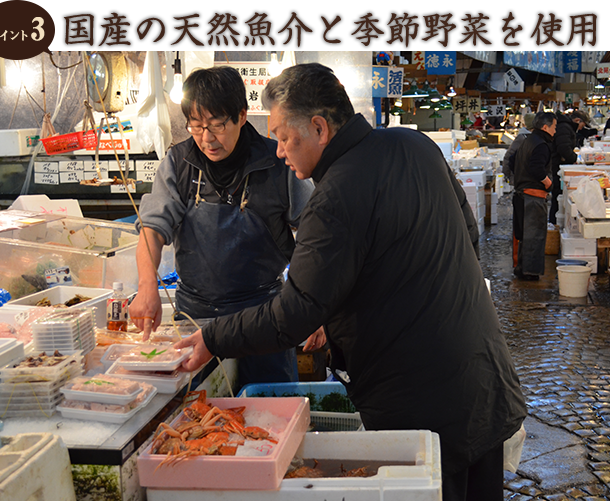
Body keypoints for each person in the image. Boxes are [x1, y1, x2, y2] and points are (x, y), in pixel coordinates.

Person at [178, 63, 526, 501]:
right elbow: (466, 231)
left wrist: (214, 337)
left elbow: (294, 314)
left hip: (420, 403)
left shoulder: (334, 196)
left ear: (320, 128)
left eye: (285, 137)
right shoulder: (414, 144)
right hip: (482, 376)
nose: (281, 151)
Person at [129, 66, 314, 388]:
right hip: (193, 316)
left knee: (270, 408)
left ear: (241, 116)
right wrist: (148, 286)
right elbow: (153, 228)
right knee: (197, 410)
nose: (206, 138)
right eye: (197, 126)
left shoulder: (278, 162)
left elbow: (314, 237)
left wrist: (312, 306)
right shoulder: (178, 162)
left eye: (216, 125)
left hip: (264, 317)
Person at [512, 112, 557, 280]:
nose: (555, 131)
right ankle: (530, 272)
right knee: (534, 236)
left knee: (522, 235)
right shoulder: (541, 145)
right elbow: (537, 169)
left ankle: (520, 268)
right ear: (545, 127)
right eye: (554, 127)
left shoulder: (527, 140)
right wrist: (548, 184)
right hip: (533, 196)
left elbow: (511, 161)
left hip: (521, 194)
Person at [548, 111, 578, 225]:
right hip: (557, 167)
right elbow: (563, 148)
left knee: (557, 198)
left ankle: (554, 224)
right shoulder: (564, 128)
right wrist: (573, 158)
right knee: (557, 197)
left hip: (557, 166)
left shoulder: (564, 126)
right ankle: (553, 225)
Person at [502, 112, 535, 186]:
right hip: (520, 179)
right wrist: (509, 175)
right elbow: (508, 156)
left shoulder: (533, 137)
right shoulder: (522, 138)